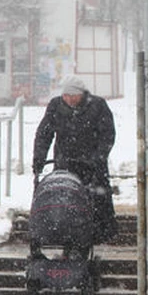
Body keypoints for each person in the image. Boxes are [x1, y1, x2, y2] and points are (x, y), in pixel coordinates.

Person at [33, 75, 118, 245]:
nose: (69, 99)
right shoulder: (55, 106)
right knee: (64, 196)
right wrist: (39, 158)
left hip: (93, 163)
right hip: (65, 162)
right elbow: (44, 133)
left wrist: (99, 157)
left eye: (73, 96)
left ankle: (103, 232)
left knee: (98, 195)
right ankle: (66, 230)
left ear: (82, 94)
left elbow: (107, 134)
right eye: (66, 96)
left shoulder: (98, 106)